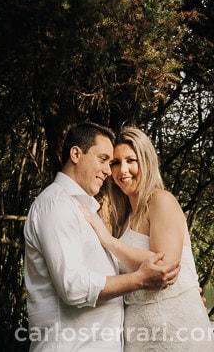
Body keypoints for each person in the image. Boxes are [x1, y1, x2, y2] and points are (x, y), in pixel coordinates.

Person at [23, 121, 180, 347]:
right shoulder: (56, 205)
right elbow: (73, 287)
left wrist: (180, 291)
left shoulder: (86, 210)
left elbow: (114, 278)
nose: (109, 171)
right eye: (104, 160)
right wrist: (138, 280)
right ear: (76, 154)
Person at [75, 124, 214, 346]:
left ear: (147, 161)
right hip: (138, 335)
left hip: (175, 331)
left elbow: (166, 265)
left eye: (131, 161)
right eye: (115, 163)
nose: (122, 171)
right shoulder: (124, 220)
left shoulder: (161, 200)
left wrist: (108, 241)